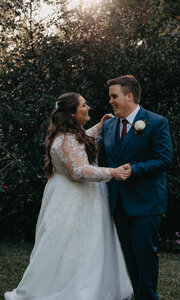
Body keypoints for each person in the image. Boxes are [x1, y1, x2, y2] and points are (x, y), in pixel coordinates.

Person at [5, 92, 133, 300]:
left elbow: (81, 143)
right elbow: (78, 171)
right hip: (74, 198)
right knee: (71, 244)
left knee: (89, 242)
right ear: (72, 114)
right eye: (83, 105)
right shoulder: (65, 139)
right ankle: (72, 289)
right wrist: (113, 172)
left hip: (84, 197)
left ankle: (94, 285)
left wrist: (99, 126)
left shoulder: (72, 134)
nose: (88, 107)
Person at [98, 75, 173, 300]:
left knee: (144, 254)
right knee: (128, 255)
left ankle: (148, 297)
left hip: (147, 201)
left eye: (114, 96)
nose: (110, 100)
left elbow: (164, 159)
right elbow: (103, 160)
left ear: (129, 96)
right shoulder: (109, 125)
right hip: (119, 201)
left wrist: (134, 170)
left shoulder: (156, 122)